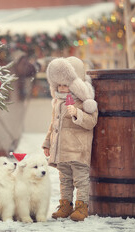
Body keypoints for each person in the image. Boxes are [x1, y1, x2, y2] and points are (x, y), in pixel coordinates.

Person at [42, 56, 98, 222]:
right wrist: (47, 143)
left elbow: (91, 122)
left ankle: (82, 207)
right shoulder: (58, 102)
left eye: (65, 85)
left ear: (75, 84)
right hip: (61, 151)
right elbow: (53, 125)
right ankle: (66, 205)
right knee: (64, 180)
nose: (61, 88)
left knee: (80, 180)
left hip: (78, 149)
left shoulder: (85, 103)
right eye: (58, 84)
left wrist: (77, 113)